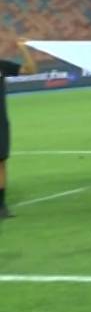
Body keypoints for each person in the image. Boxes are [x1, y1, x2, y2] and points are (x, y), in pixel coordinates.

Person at [0, 39, 37, 219]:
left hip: (0, 123)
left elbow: (30, 70)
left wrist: (23, 50)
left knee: (0, 163)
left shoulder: (2, 66)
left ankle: (1, 206)